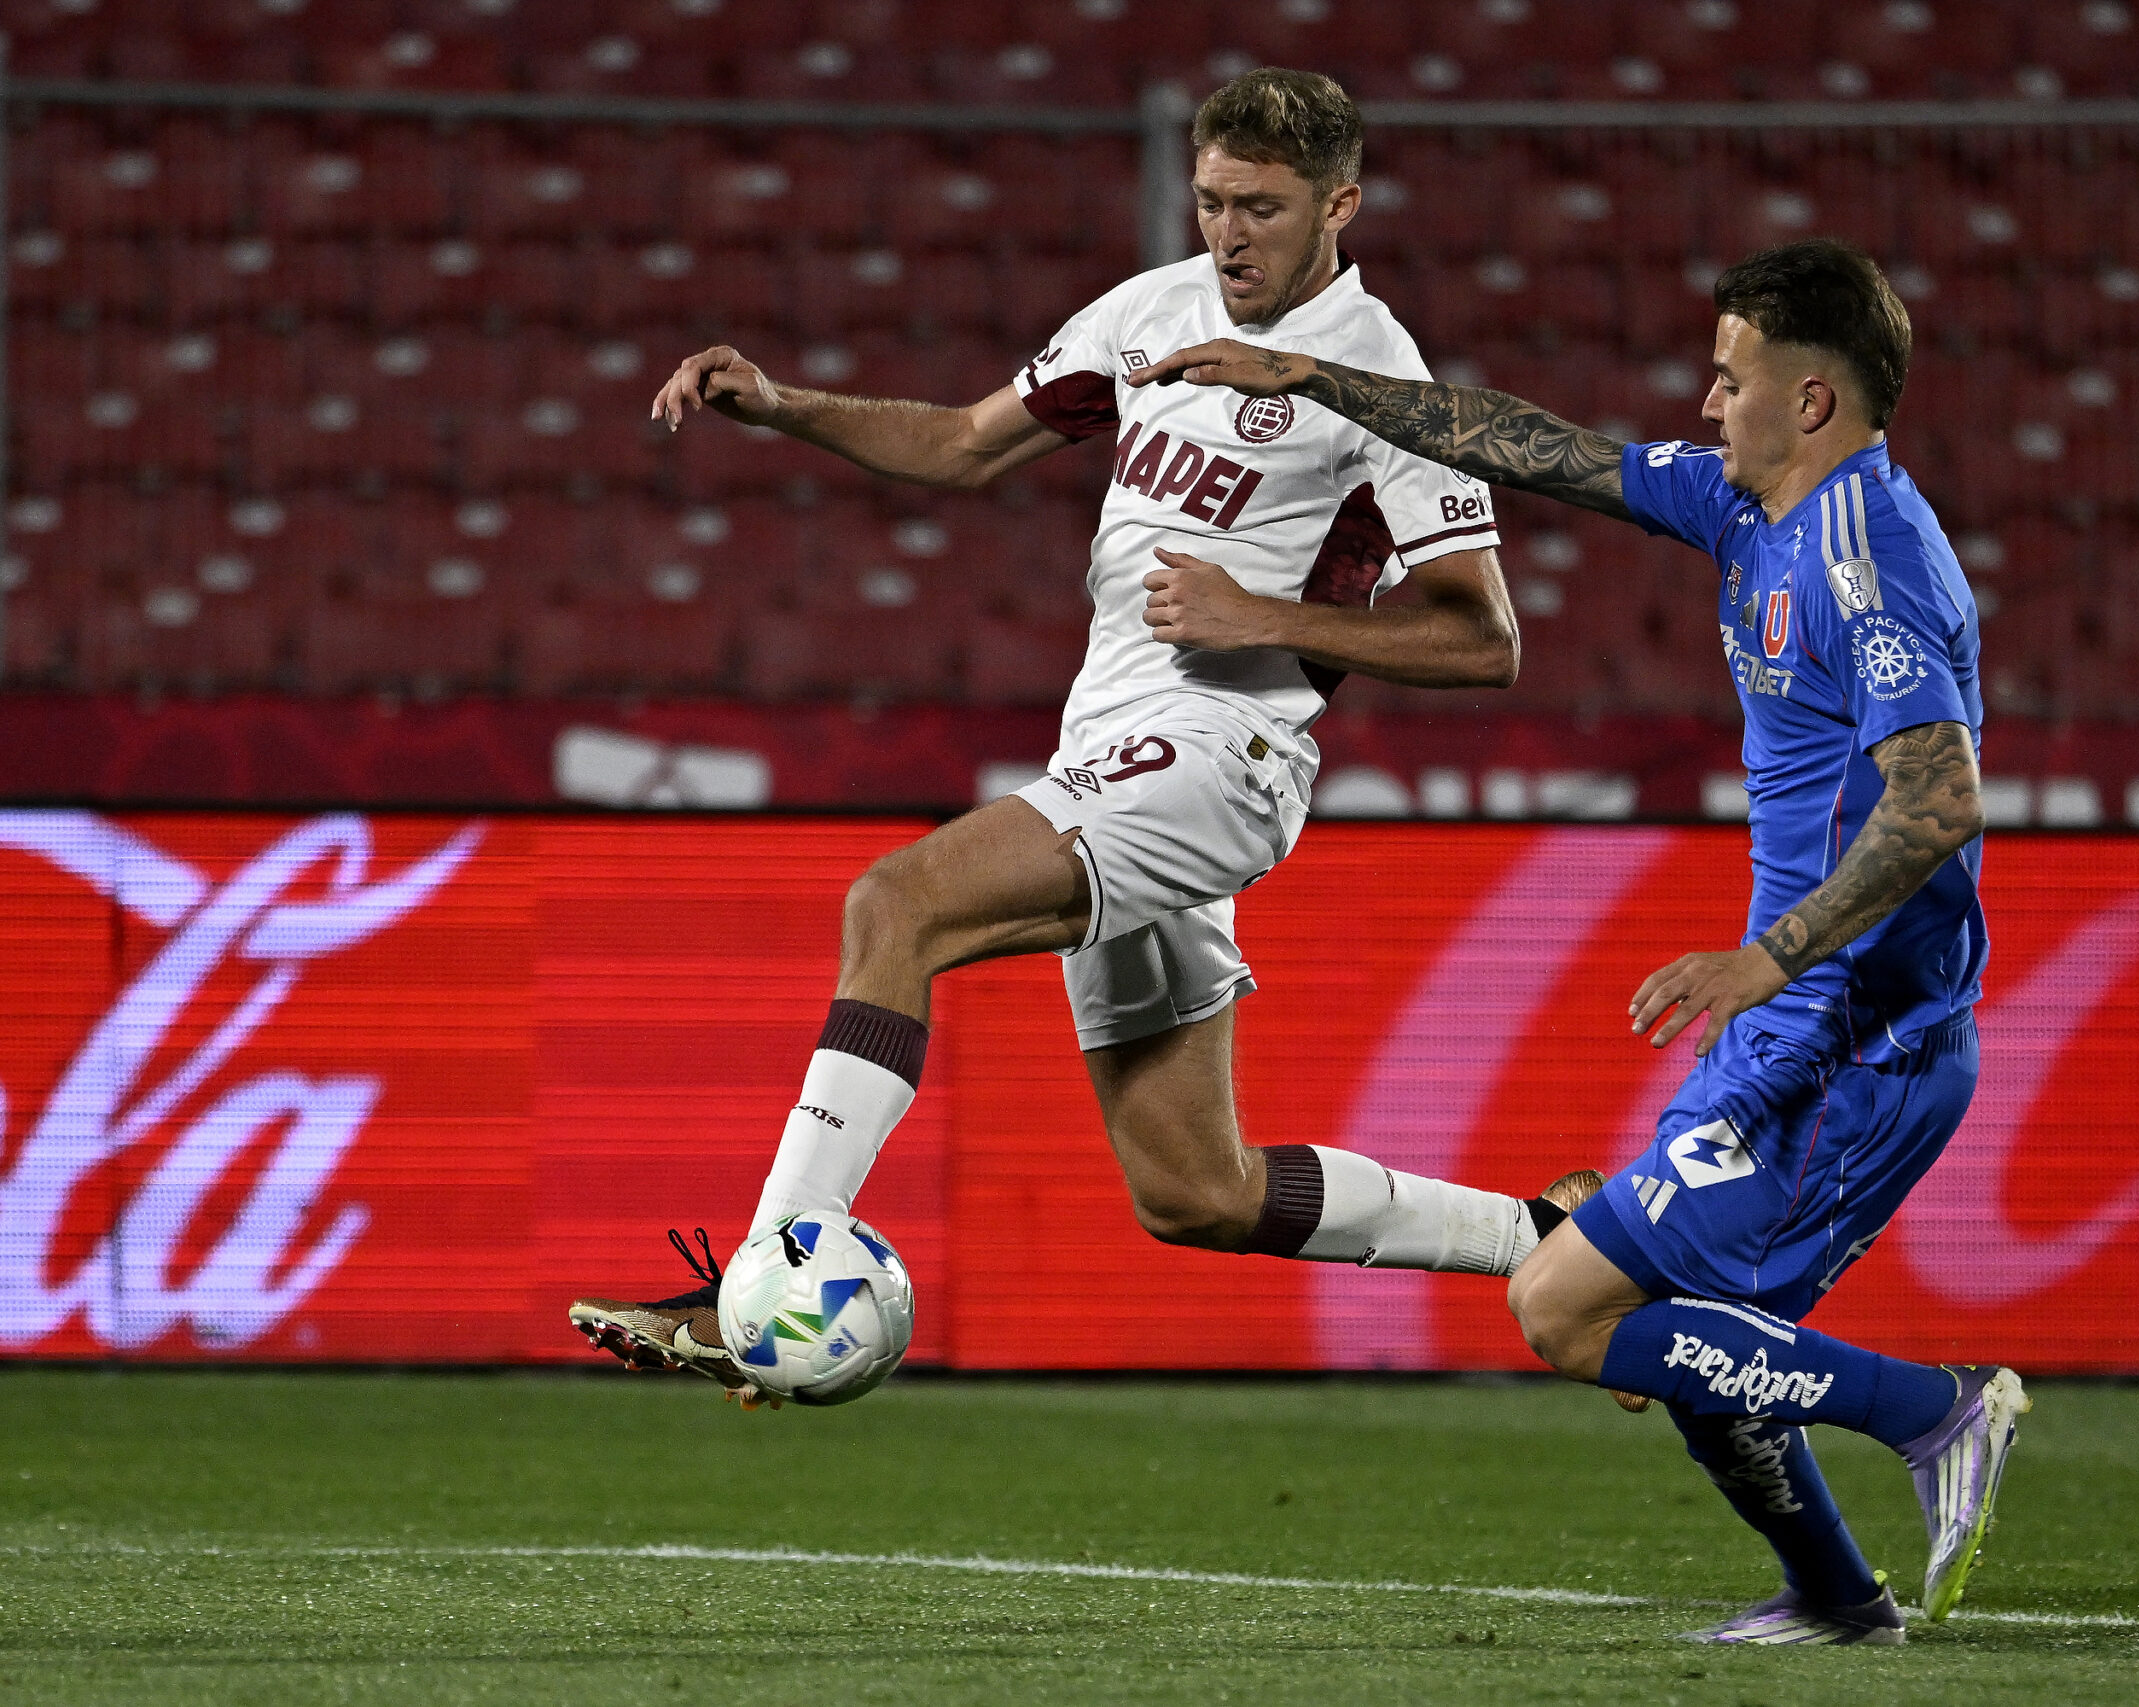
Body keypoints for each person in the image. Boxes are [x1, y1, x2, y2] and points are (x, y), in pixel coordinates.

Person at [570, 68, 1599, 1406]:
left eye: (1263, 208)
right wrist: (785, 405)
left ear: (1340, 205)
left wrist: (1256, 614)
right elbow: (963, 443)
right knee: (1196, 1191)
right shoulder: (1150, 310)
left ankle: (763, 1274)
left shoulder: (1383, 381)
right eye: (1212, 201)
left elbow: (1484, 639)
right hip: (1111, 754)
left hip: (1225, 751)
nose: (1229, 234)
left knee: (897, 906)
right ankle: (1550, 1236)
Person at [1131, 238, 2023, 1644]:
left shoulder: (1871, 559)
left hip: (1861, 1041)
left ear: (1811, 401)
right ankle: (1839, 1597)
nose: (1706, 403)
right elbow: (1533, 445)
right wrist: (1311, 374)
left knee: (1564, 1307)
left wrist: (1769, 958)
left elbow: (1941, 799)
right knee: (1685, 1341)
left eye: (1730, 379)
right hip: (1801, 1024)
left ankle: (1936, 1408)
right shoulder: (1747, 510)